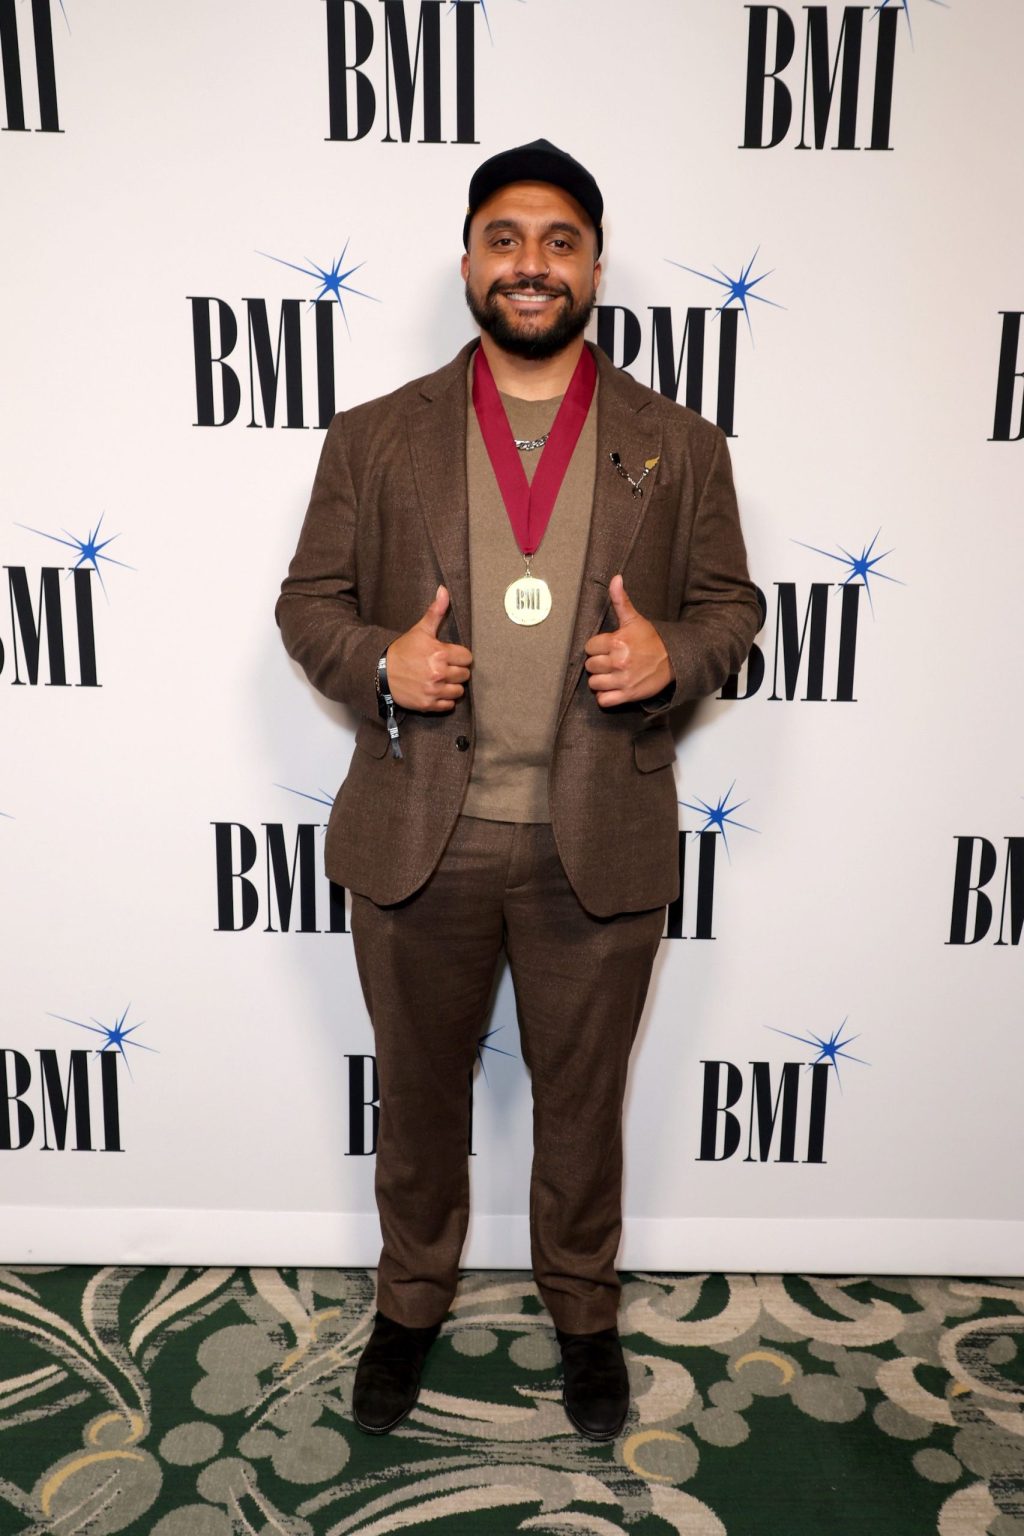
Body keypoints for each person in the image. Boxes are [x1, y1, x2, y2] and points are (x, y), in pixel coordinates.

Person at [276, 139, 760, 1441]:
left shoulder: (679, 443)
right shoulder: (376, 438)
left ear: (594, 264)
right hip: (418, 841)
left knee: (583, 1110)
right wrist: (385, 659)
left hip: (596, 843)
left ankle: (584, 1316)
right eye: (505, 238)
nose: (530, 263)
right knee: (419, 1106)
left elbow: (732, 610)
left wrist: (675, 658)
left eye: (557, 240)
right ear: (470, 259)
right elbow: (306, 603)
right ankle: (411, 1303)